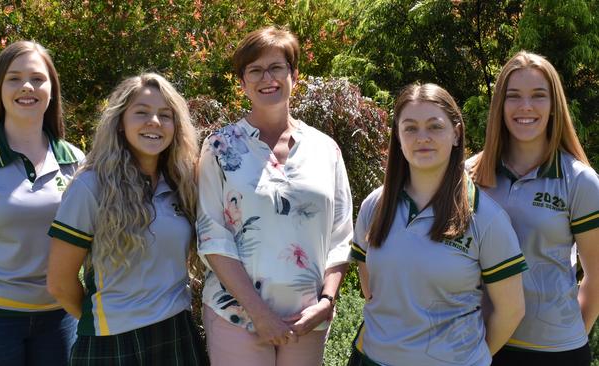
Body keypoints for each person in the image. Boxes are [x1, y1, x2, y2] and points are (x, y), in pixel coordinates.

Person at [196, 26, 353, 365]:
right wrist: (259, 314)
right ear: (242, 82)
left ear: (294, 74)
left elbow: (341, 235)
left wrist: (326, 301)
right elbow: (212, 236)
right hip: (236, 315)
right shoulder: (219, 148)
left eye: (276, 67)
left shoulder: (326, 150)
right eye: (255, 70)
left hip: (307, 318)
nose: (267, 77)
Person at [349, 83, 528, 366]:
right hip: (372, 359)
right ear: (397, 136)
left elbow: (511, 310)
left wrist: (467, 357)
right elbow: (370, 288)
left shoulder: (486, 217)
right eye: (410, 128)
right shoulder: (375, 206)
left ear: (456, 134)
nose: (422, 137)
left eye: (435, 126)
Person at [46, 73, 208, 366]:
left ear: (177, 126)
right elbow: (59, 283)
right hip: (112, 341)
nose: (154, 122)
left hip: (176, 332)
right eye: (142, 113)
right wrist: (104, 317)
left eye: (165, 115)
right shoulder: (90, 186)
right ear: (120, 123)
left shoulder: (183, 183)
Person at [0, 40, 83, 366]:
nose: (27, 86)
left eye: (38, 78)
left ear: (52, 89)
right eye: (14, 78)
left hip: (59, 318)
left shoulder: (77, 162)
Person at [468, 51, 599, 365]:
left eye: (538, 96)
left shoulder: (580, 181)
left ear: (554, 106)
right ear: (500, 105)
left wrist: (571, 333)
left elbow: (597, 274)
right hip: (478, 345)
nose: (525, 107)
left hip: (554, 352)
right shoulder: (468, 175)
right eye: (514, 96)